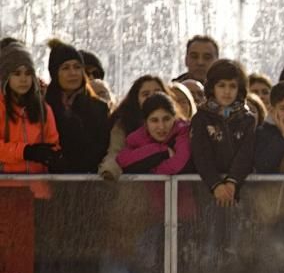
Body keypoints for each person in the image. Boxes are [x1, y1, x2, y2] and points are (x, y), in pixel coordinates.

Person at [190, 59, 256, 207]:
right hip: (207, 188)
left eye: (232, 86)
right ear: (212, 87)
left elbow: (246, 154)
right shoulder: (201, 118)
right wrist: (216, 184)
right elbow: (201, 155)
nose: (227, 91)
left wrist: (232, 182)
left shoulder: (247, 119)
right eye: (221, 85)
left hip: (239, 189)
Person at [44, 39, 110, 173]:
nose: (73, 73)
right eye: (65, 68)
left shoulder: (99, 108)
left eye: (77, 67)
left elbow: (101, 149)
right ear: (55, 73)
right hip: (50, 182)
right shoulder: (42, 107)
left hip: (88, 183)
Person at [0, 42, 60, 173]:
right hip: (6, 184)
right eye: (17, 73)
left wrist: (53, 155)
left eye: (28, 73)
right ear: (6, 77)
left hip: (37, 185)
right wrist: (25, 151)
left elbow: (53, 142)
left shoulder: (43, 109)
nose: (23, 79)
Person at [99, 75, 168, 181]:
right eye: (146, 94)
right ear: (136, 99)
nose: (152, 97)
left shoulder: (176, 123)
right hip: (134, 186)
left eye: (157, 92)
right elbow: (115, 153)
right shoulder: (124, 124)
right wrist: (109, 172)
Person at [116, 93, 192, 175]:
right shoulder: (137, 139)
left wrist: (151, 170)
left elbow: (179, 165)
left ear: (174, 118)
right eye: (154, 120)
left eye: (166, 119)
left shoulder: (183, 133)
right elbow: (123, 161)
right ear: (145, 123)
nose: (161, 127)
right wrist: (162, 151)